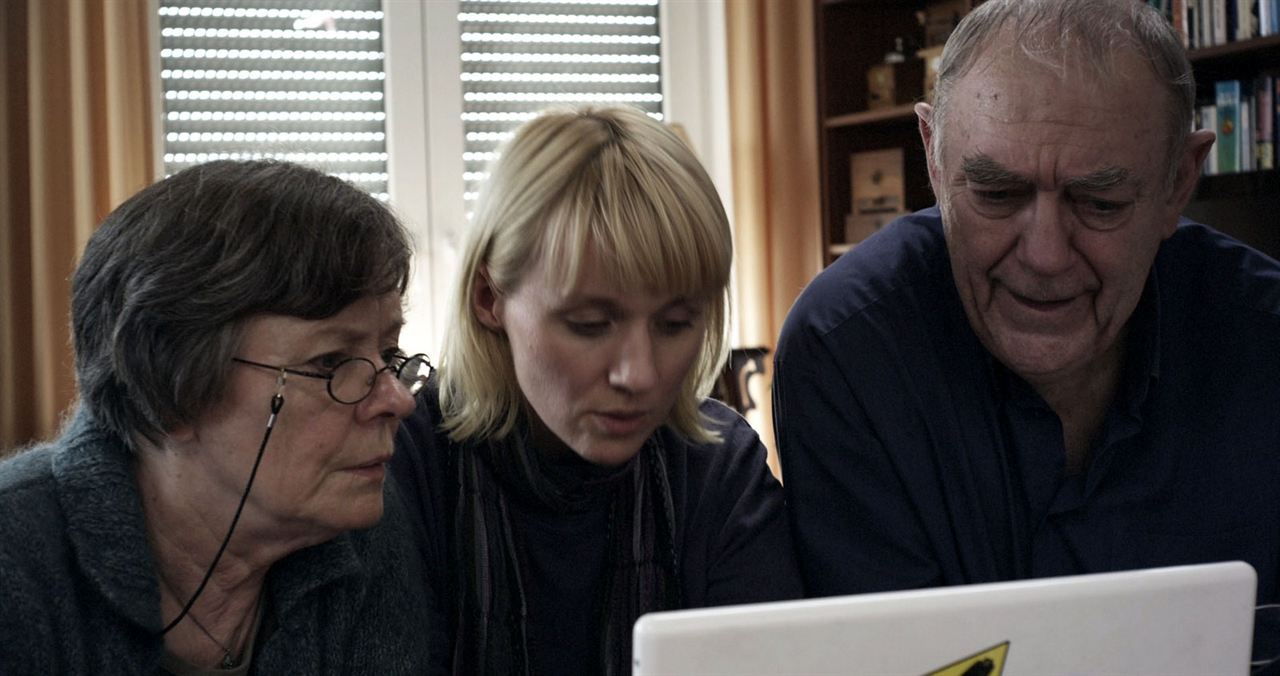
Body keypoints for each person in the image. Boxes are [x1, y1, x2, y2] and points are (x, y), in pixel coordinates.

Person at [776, 0, 1280, 605]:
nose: (1045, 256)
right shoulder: (851, 350)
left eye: (1100, 203)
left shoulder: (1264, 338)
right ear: (934, 158)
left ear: (1178, 182)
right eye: (996, 193)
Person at [391, 105, 802, 675]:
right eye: (589, 324)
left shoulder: (716, 469)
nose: (639, 375)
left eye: (675, 323)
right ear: (489, 298)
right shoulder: (398, 461)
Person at [0, 160, 436, 673]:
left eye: (389, 354)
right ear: (168, 389)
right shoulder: (16, 563)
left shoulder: (358, 530)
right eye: (332, 363)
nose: (399, 400)